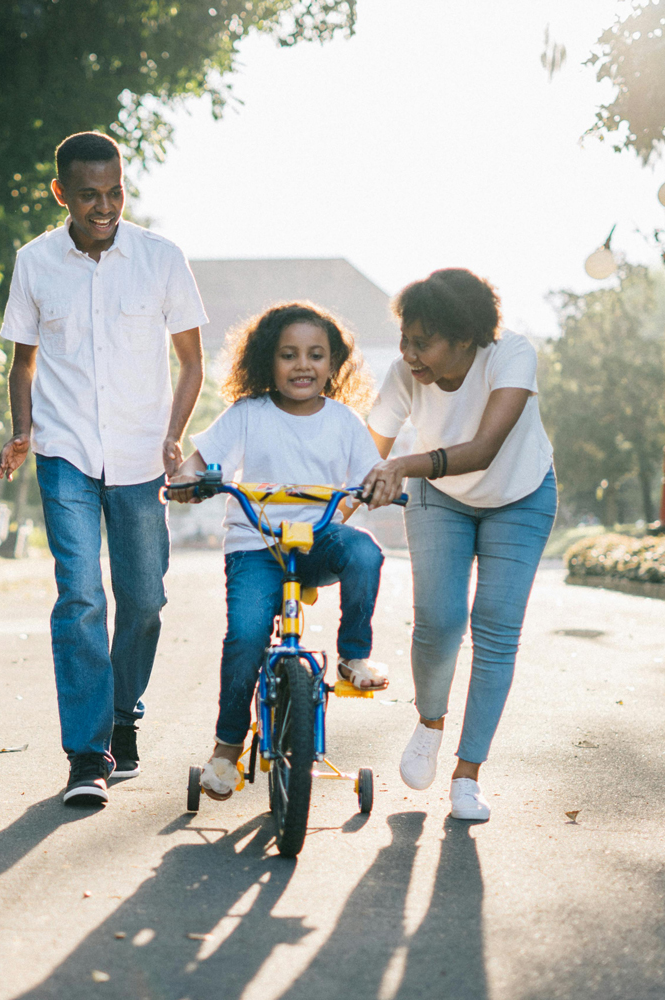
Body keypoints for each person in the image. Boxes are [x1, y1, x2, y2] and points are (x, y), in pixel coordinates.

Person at [0, 131, 208, 806]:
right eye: (89, 195)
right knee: (81, 596)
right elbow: (23, 361)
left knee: (144, 601)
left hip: (142, 456)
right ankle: (87, 755)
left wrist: (175, 436)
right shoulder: (34, 263)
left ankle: (123, 716)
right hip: (64, 454)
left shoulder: (161, 258)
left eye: (115, 192)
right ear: (62, 193)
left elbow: (192, 361)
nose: (105, 206)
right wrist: (23, 430)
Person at [170, 303, 388, 800]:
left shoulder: (345, 422)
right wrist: (187, 479)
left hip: (316, 541)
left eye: (316, 355)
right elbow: (199, 461)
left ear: (333, 365)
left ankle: (354, 656)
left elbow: (370, 475)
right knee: (246, 636)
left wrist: (378, 487)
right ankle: (227, 749)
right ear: (269, 361)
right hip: (256, 546)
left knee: (366, 553)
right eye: (289, 355)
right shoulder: (248, 414)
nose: (303, 365)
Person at [362, 268, 556, 822]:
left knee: (496, 627)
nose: (408, 353)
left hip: (520, 494)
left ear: (465, 338)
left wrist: (401, 464)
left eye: (422, 342)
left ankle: (468, 775)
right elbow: (364, 454)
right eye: (405, 338)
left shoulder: (510, 355)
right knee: (440, 620)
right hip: (439, 498)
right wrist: (332, 510)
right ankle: (429, 722)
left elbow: (486, 448)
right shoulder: (404, 375)